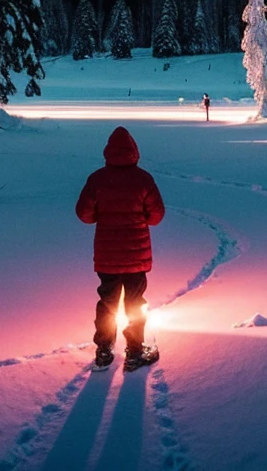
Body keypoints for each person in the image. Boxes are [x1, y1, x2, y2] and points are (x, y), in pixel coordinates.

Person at [76, 126, 165, 372]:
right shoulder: (143, 179)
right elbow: (156, 216)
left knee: (107, 303)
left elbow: (84, 214)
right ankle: (135, 352)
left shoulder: (97, 179)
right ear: (134, 151)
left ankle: (104, 351)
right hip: (136, 257)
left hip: (107, 257)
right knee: (135, 302)